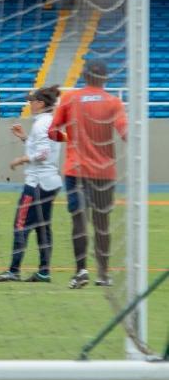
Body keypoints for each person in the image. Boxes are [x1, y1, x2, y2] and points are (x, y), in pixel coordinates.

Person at [49, 60, 128, 289]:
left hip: (76, 170)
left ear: (84, 76)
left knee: (79, 220)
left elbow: (53, 132)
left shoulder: (70, 98)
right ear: (105, 78)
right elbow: (125, 132)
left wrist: (71, 139)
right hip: (105, 173)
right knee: (102, 222)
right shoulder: (113, 102)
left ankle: (81, 271)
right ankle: (103, 274)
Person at [0, 86, 62, 284]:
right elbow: (44, 148)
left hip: (37, 183)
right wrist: (24, 138)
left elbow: (43, 153)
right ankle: (44, 272)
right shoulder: (49, 122)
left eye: (32, 101)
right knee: (42, 227)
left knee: (21, 224)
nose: (29, 104)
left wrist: (22, 159)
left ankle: (13, 270)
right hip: (50, 181)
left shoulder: (42, 124)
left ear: (41, 103)